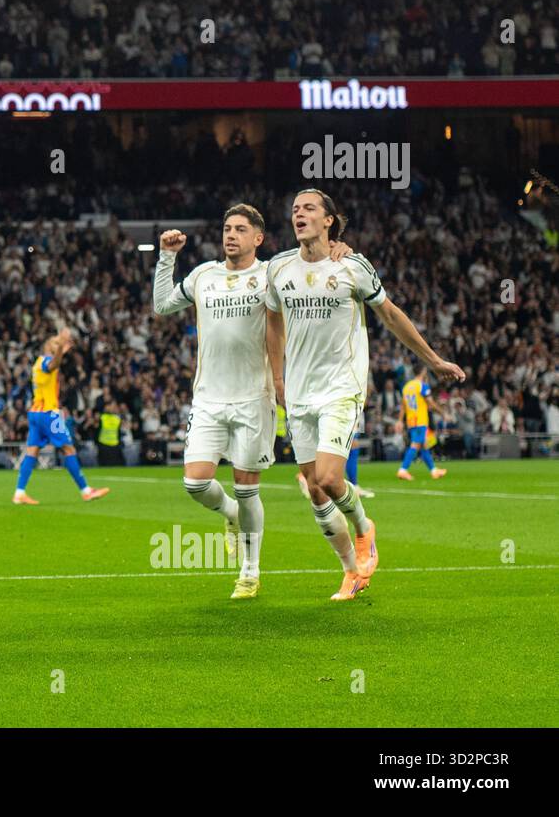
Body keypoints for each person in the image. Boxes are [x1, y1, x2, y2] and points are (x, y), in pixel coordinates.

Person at [265, 189, 464, 602]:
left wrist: (433, 360)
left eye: (308, 209)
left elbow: (390, 314)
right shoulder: (279, 268)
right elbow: (272, 324)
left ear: (329, 221)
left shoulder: (353, 266)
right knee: (314, 488)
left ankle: (364, 528)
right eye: (295, 209)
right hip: (298, 392)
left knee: (329, 477)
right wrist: (278, 378)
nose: (298, 214)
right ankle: (350, 571)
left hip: (342, 386)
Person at [154, 205, 349, 598]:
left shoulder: (270, 275)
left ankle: (249, 571)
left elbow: (311, 265)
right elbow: (161, 307)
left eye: (240, 230)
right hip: (208, 397)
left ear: (257, 238)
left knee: (247, 487)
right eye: (227, 228)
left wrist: (338, 247)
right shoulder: (203, 276)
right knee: (195, 482)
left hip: (253, 398)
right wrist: (166, 256)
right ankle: (229, 515)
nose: (231, 235)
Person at [11, 328, 109, 505]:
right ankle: (86, 491)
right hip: (49, 414)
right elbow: (53, 365)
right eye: (55, 344)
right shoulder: (45, 361)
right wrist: (61, 347)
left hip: (35, 413)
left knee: (32, 451)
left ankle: (19, 493)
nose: (59, 346)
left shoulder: (38, 363)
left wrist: (61, 349)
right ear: (48, 347)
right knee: (68, 449)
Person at [397, 370, 448, 480]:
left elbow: (403, 405)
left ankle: (434, 471)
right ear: (423, 373)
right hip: (420, 420)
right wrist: (442, 412)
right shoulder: (422, 386)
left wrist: (400, 420)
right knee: (416, 444)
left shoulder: (406, 387)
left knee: (424, 445)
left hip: (411, 420)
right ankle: (403, 469)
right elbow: (430, 402)